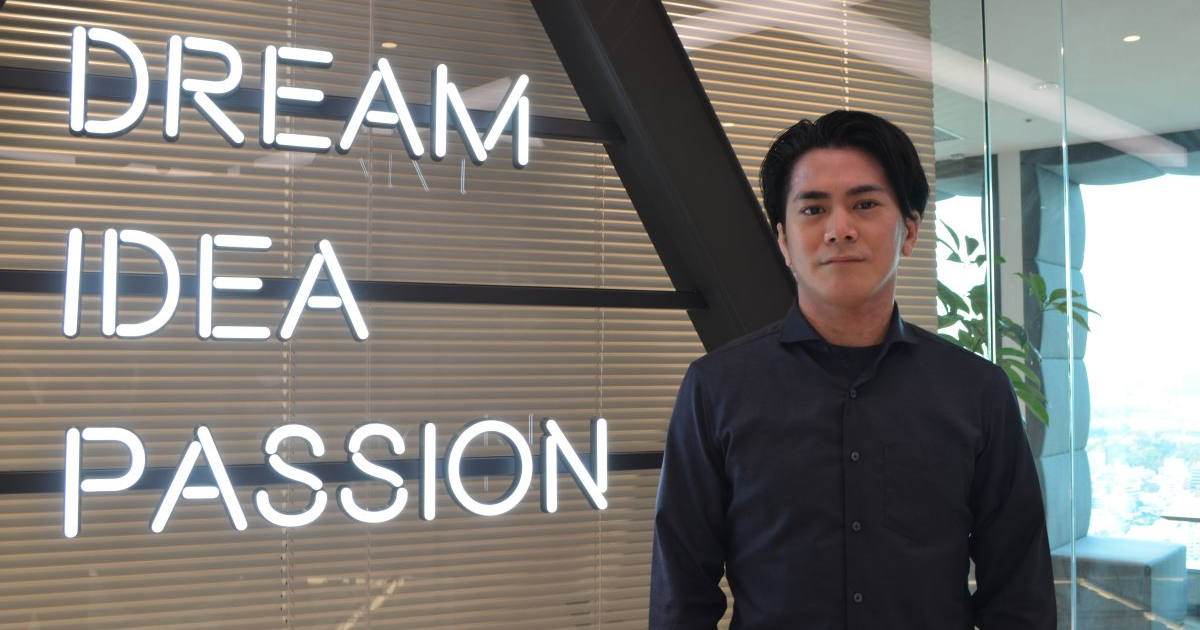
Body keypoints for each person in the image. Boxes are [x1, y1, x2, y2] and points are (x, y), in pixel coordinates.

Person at [649, 110, 1055, 629]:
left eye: (864, 204)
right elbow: (682, 597)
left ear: (909, 231)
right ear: (783, 241)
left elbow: (1019, 594)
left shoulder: (978, 390)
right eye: (813, 209)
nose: (838, 230)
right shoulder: (715, 388)